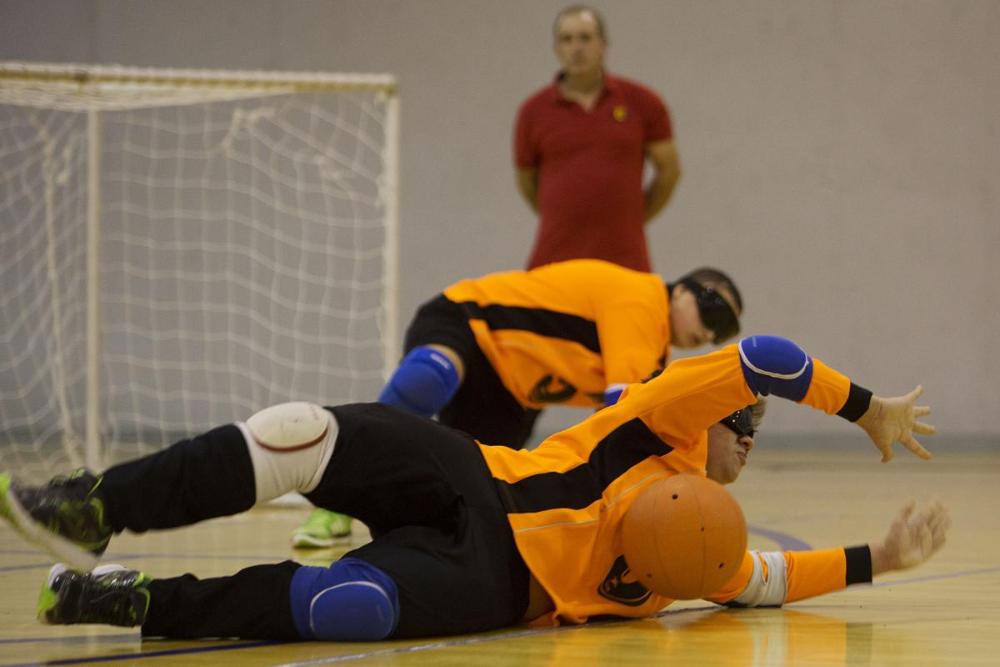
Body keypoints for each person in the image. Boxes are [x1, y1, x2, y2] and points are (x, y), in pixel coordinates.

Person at [0, 334, 946, 641]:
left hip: (499, 583)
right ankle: (95, 503)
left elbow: (767, 579)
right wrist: (863, 407)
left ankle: (127, 599)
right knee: (299, 433)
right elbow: (765, 357)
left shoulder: (699, 545)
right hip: (470, 471)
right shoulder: (662, 418)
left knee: (345, 602)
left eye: (755, 432)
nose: (747, 434)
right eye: (743, 420)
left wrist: (878, 559)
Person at [292, 258, 742, 546]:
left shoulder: (653, 355)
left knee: (470, 490)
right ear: (680, 289)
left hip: (509, 394)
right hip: (469, 321)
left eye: (723, 332)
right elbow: (622, 412)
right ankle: (332, 495)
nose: (709, 334)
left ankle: (386, 523)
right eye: (712, 311)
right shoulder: (644, 299)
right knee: (426, 381)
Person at [514, 5, 681, 272]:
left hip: (625, 259)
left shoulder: (643, 102)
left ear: (603, 45)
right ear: (557, 49)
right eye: (567, 39)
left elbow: (670, 171)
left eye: (585, 38)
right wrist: (567, 214)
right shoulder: (533, 112)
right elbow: (526, 181)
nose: (576, 48)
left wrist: (633, 217)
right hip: (554, 259)